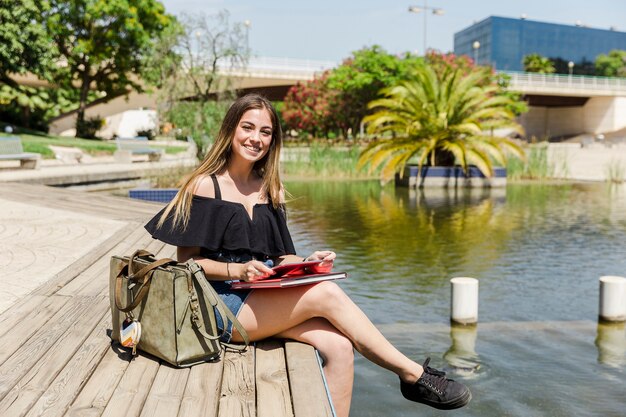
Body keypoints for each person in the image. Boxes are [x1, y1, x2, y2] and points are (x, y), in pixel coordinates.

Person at [145, 94, 471, 416]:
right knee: (326, 293)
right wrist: (237, 271)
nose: (255, 139)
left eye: (265, 132)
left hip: (261, 300)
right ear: (231, 129)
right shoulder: (205, 186)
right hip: (218, 305)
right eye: (248, 127)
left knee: (340, 347)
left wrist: (309, 262)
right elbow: (186, 264)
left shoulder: (269, 189)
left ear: (273, 140)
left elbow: (282, 257)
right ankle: (413, 375)